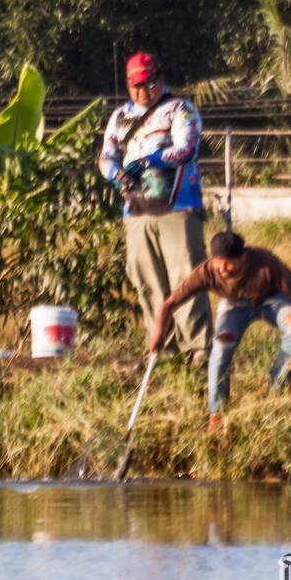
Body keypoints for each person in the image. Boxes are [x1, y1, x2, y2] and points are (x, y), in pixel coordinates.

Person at [98, 52, 212, 362]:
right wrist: (116, 173)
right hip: (136, 210)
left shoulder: (179, 109)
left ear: (159, 79)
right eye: (136, 85)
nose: (143, 91)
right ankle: (163, 347)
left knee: (185, 275)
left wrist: (151, 161)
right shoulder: (120, 117)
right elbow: (106, 155)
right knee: (147, 279)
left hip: (177, 206)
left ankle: (198, 346)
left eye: (148, 84)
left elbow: (187, 148)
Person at [148, 231, 291, 431]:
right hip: (235, 306)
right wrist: (158, 334)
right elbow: (169, 303)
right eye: (217, 262)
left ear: (243, 257)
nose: (222, 269)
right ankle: (217, 411)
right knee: (221, 345)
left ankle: (277, 391)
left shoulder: (265, 262)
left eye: (229, 262)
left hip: (272, 300)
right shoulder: (206, 272)